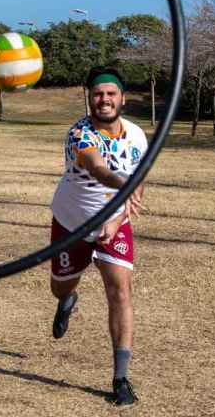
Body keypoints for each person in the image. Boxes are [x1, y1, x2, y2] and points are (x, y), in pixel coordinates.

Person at [48, 67, 147, 406]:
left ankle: (120, 378)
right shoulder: (80, 133)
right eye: (97, 94)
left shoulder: (137, 136)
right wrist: (125, 186)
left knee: (120, 289)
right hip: (71, 222)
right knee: (59, 286)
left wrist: (117, 220)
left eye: (110, 93)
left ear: (122, 97)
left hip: (113, 223)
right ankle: (66, 300)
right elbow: (98, 168)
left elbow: (140, 183)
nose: (104, 99)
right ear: (89, 97)